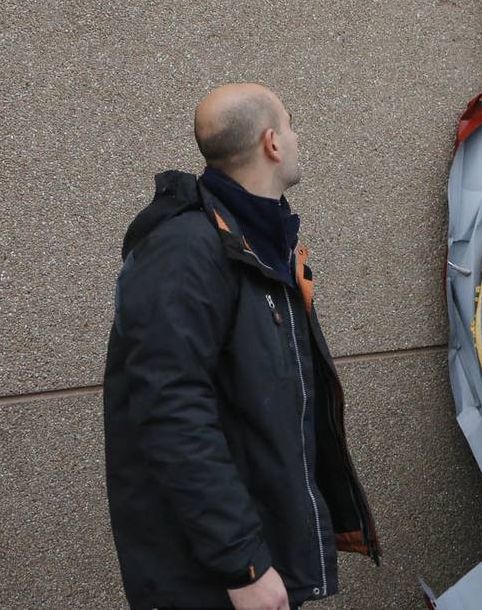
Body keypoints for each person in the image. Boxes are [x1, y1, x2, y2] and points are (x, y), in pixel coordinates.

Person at [103, 83, 379, 610]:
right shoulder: (185, 249)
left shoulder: (259, 243)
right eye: (292, 126)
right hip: (210, 577)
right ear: (272, 143)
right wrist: (243, 563)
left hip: (255, 553)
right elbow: (171, 414)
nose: (298, 139)